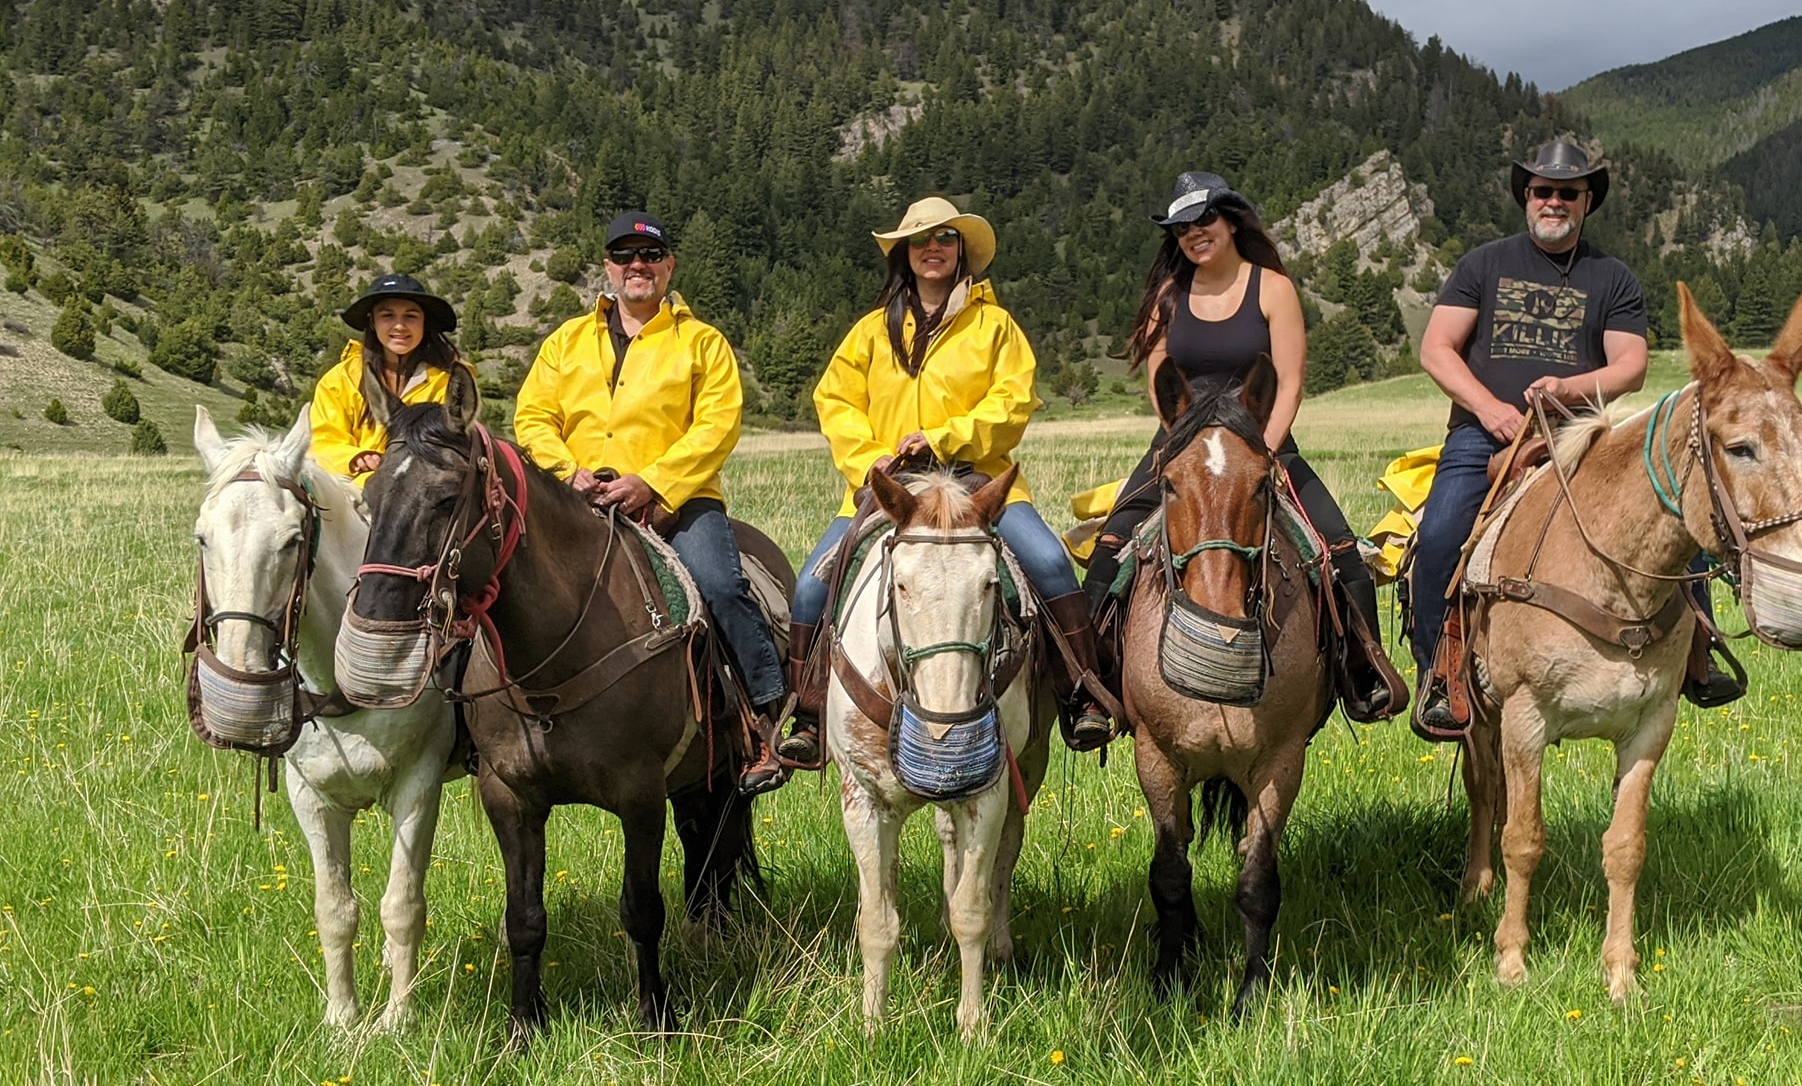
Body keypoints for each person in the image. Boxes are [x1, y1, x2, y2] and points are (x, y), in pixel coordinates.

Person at [774, 196, 1117, 768]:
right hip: (891, 491)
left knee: (1052, 565)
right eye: (920, 241)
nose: (932, 249)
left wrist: (943, 437)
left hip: (976, 482)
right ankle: (808, 713)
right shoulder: (868, 333)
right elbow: (834, 402)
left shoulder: (996, 327)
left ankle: (1081, 695)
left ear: (962, 253)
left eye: (945, 239)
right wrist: (871, 462)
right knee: (812, 585)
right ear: (904, 255)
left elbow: (1012, 403)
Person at [1410, 139, 1738, 734]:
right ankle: (1443, 673)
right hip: (1485, 436)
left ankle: (1699, 653)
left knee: (1671, 516)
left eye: (1568, 192)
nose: (1554, 201)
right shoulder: (1483, 264)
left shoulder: (1611, 277)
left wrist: (1570, 389)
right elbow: (1437, 349)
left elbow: (1629, 366)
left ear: (1587, 202)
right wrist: (1490, 410)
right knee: (1437, 539)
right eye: (1543, 191)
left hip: (1583, 436)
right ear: (1526, 198)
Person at [1078, 171, 1398, 722]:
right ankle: (1093, 688)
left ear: (1229, 221)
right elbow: (1161, 376)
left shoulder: (1272, 288)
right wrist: (1180, 445)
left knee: (1340, 552)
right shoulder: (1168, 297)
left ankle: (1362, 672)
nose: (1193, 234)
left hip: (1263, 442)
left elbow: (1291, 381)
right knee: (1110, 549)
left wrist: (1265, 452)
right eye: (1181, 228)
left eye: (1203, 220)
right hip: (1182, 445)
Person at [513, 211, 790, 794]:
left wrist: (655, 484)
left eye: (649, 256)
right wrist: (570, 472)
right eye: (623, 256)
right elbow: (534, 416)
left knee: (717, 585)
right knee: (505, 586)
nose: (636, 266)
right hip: (578, 502)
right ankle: (476, 729)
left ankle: (763, 718)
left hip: (680, 502)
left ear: (668, 267)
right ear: (607, 269)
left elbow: (717, 426)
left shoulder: (702, 342)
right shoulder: (565, 341)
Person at [309, 274, 465, 486]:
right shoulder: (341, 379)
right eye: (387, 316)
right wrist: (355, 457)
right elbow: (321, 442)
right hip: (350, 494)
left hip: (421, 496)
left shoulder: (446, 383)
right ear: (372, 321)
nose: (399, 326)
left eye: (410, 317)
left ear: (424, 323)